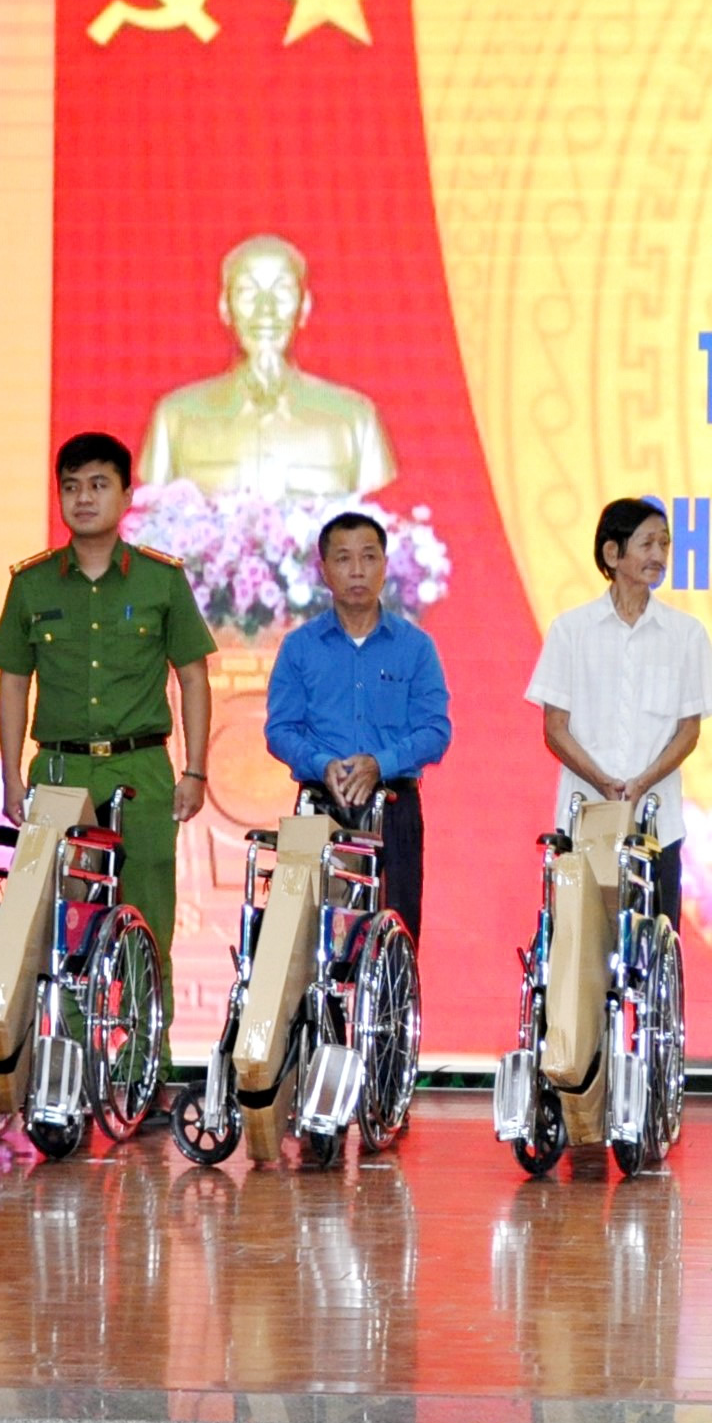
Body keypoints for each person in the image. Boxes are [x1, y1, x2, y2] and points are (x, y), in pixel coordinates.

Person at [0, 431, 215, 1067]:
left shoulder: (160, 580)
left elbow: (192, 675)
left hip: (140, 767)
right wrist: (11, 776)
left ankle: (147, 1057)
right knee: (62, 920)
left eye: (97, 485)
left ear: (125, 494)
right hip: (58, 767)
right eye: (70, 486)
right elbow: (12, 682)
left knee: (146, 916)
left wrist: (195, 770)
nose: (83, 498)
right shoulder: (31, 585)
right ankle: (70, 1053)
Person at [524, 498, 712, 928]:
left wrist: (641, 784)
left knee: (654, 946)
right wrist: (602, 782)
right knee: (581, 950)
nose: (658, 555)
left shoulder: (686, 634)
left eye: (665, 544)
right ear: (612, 554)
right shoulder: (570, 630)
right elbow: (554, 728)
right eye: (647, 543)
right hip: (584, 817)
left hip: (657, 820)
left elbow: (689, 731)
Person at [266, 510, 454, 937]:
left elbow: (435, 732)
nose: (357, 570)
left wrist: (379, 763)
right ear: (324, 571)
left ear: (385, 567)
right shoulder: (299, 647)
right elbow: (279, 730)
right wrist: (320, 764)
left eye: (369, 557)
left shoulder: (416, 647)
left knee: (396, 936)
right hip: (320, 806)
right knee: (310, 942)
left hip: (393, 808)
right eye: (344, 558)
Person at [142, 234, 396, 502]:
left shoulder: (354, 418)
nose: (266, 310)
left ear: (305, 306)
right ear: (224, 307)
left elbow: (377, 524)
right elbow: (152, 524)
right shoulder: (176, 416)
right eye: (248, 293)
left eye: (282, 292)